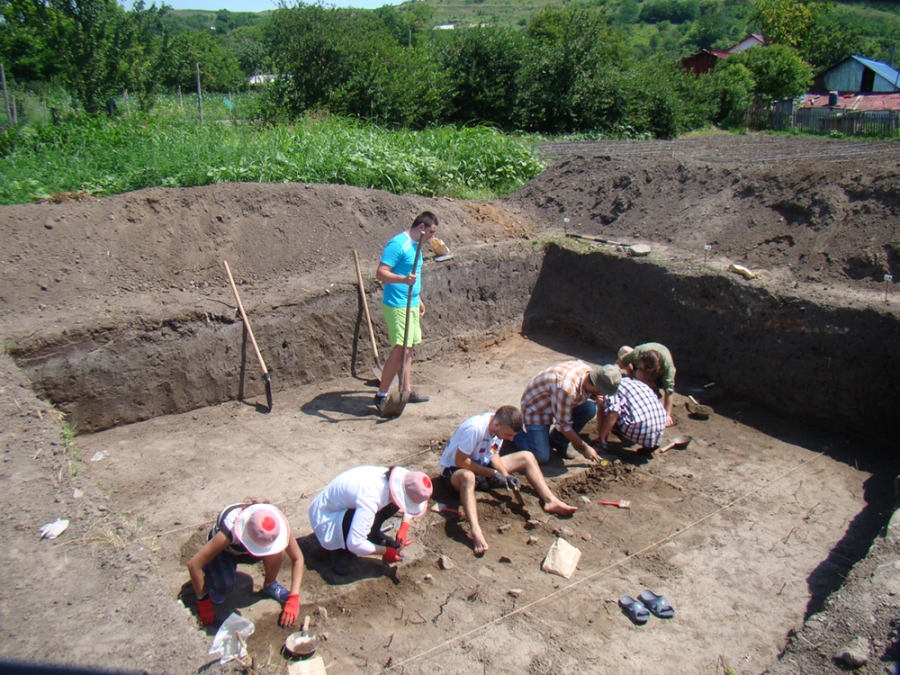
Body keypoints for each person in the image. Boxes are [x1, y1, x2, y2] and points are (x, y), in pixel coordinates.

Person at [440, 405, 578, 556]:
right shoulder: (475, 428)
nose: (511, 439)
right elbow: (461, 461)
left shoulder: (498, 427)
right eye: (509, 435)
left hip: (480, 464)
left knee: (527, 456)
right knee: (468, 477)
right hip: (454, 471)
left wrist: (505, 475)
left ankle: (550, 500)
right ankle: (475, 530)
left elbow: (493, 453)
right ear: (497, 425)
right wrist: (492, 473)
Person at [187, 501, 303, 628]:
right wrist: (203, 602)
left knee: (277, 549)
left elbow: (297, 558)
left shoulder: (276, 522)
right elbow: (194, 565)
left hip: (245, 550)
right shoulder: (230, 530)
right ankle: (216, 581)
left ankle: (270, 584)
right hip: (222, 551)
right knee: (224, 585)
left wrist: (294, 597)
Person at [309, 465, 432, 576]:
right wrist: (384, 551)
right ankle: (339, 549)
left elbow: (408, 499)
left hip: (348, 505)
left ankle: (371, 533)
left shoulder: (400, 480)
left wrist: (404, 527)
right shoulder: (371, 497)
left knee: (394, 504)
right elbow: (355, 543)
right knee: (355, 531)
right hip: (327, 516)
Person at [373, 212, 439, 414]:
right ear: (421, 227)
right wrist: (403, 281)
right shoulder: (398, 244)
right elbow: (380, 273)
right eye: (430, 232)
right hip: (397, 305)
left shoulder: (417, 246)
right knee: (400, 349)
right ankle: (381, 395)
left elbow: (413, 276)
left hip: (410, 302)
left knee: (408, 349)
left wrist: (418, 298)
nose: (432, 237)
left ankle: (406, 391)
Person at [514, 361, 622, 464]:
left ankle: (558, 441)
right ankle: (512, 431)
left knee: (589, 408)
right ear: (598, 388)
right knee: (541, 456)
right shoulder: (566, 389)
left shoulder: (589, 375)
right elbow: (564, 426)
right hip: (537, 408)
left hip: (557, 402)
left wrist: (594, 396)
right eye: (604, 392)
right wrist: (584, 447)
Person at [595, 351, 668, 454]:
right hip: (659, 426)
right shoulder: (636, 383)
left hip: (639, 428)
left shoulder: (612, 390)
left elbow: (613, 413)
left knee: (603, 404)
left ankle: (602, 442)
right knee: (632, 408)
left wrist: (601, 438)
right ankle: (651, 444)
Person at [617, 343, 676, 426]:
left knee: (641, 374)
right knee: (623, 350)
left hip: (658, 377)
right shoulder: (637, 353)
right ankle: (631, 381)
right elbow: (618, 363)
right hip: (642, 362)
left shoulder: (668, 367)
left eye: (647, 370)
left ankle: (651, 390)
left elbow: (669, 390)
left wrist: (667, 414)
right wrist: (610, 378)